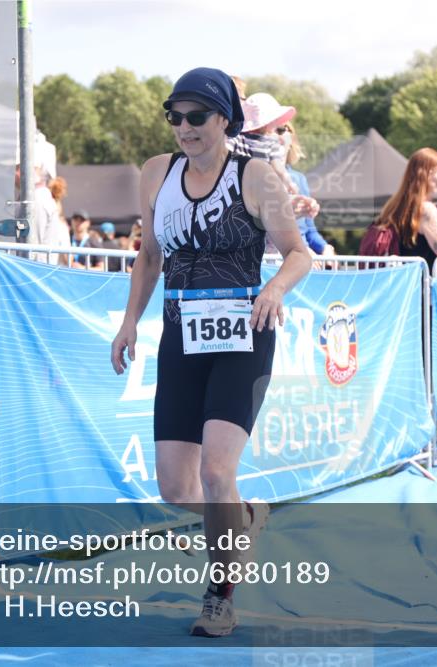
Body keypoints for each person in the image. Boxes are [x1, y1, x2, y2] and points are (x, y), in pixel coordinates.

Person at [110, 67, 311, 638]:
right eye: (175, 116)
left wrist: (273, 289)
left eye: (197, 117)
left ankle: (220, 596)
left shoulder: (257, 177)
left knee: (218, 469)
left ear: (224, 118)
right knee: (176, 487)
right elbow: (149, 256)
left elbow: (299, 254)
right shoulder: (155, 174)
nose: (185, 128)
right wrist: (129, 323)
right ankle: (243, 518)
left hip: (246, 334)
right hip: (182, 336)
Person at [374, 148, 437, 270]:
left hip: (404, 283)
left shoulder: (394, 205)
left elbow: (412, 240)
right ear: (429, 174)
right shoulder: (426, 210)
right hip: (423, 285)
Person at [229, 92, 299, 195]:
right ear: (267, 122)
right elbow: (279, 168)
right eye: (275, 119)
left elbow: (223, 154)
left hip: (238, 188)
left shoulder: (237, 139)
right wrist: (289, 183)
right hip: (261, 190)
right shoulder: (271, 143)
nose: (277, 122)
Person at [283, 122, 332, 257]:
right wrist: (303, 250)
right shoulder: (257, 176)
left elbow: (309, 230)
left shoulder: (299, 179)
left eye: (285, 129)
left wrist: (325, 247)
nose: (282, 135)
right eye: (277, 129)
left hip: (303, 260)